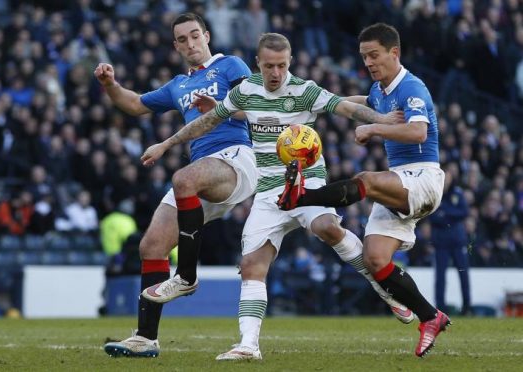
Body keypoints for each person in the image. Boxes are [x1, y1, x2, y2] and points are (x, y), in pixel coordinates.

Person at [140, 32, 413, 361]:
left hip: (307, 183)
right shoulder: (245, 91)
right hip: (269, 192)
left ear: (290, 62)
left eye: (282, 65)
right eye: (269, 66)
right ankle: (248, 345)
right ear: (258, 63)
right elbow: (207, 122)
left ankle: (384, 287)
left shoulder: (303, 90)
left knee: (327, 226)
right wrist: (166, 145)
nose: (276, 73)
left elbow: (344, 107)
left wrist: (381, 119)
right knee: (252, 264)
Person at [277, 23, 451, 357]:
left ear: (394, 53)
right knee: (375, 260)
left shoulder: (411, 87)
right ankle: (431, 316)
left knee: (367, 180)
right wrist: (311, 103)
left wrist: (372, 127)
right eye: (364, 57)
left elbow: (417, 133)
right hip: (400, 181)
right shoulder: (379, 91)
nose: (369, 62)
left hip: (422, 177)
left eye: (374, 55)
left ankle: (301, 197)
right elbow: (350, 102)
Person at [97, 13, 258, 357]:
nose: (190, 44)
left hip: (235, 158)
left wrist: (221, 108)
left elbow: (255, 106)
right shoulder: (177, 86)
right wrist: (110, 84)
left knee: (183, 178)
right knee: (151, 246)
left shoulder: (230, 66)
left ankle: (186, 276)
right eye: (182, 40)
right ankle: (145, 338)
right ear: (175, 46)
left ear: (207, 36)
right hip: (201, 174)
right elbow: (135, 104)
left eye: (194, 35)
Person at [429, 166, 471, 315]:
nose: (446, 181)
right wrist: (450, 214)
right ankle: (440, 307)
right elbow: (431, 215)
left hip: (457, 241)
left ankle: (467, 306)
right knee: (440, 276)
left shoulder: (457, 193)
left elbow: (464, 212)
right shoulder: (434, 193)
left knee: (463, 274)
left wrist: (444, 212)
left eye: (449, 178)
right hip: (441, 242)